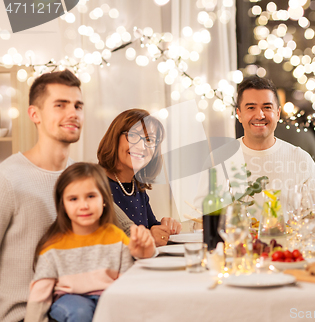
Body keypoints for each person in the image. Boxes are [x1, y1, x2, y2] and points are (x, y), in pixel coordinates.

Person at [0, 70, 83, 322]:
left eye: (78, 105)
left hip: (79, 307)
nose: (73, 113)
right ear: (34, 114)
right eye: (60, 105)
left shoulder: (80, 176)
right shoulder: (7, 179)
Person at [25, 163, 156, 322]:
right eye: (73, 199)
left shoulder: (116, 237)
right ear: (63, 205)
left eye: (91, 196)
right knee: (81, 312)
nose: (84, 206)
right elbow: (39, 296)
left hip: (108, 297)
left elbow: (128, 282)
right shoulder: (53, 247)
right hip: (70, 300)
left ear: (104, 200)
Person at [235, 76, 315, 216]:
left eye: (267, 107)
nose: (260, 115)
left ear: (278, 113)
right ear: (239, 114)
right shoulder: (219, 159)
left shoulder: (300, 158)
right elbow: (202, 216)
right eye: (251, 108)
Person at [97, 109, 181, 246]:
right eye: (133, 136)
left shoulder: (137, 187)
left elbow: (150, 228)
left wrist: (166, 227)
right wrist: (151, 236)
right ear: (115, 137)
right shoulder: (93, 185)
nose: (142, 146)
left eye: (150, 140)